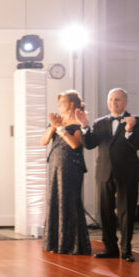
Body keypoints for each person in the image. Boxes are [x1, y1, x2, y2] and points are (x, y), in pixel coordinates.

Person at [80, 88, 139, 262]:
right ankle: (110, 248)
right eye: (110, 100)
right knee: (105, 212)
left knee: (126, 212)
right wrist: (85, 126)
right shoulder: (100, 122)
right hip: (104, 172)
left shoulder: (138, 120)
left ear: (125, 101)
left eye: (117, 100)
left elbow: (138, 144)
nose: (113, 103)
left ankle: (126, 250)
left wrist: (129, 130)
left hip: (128, 172)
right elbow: (90, 145)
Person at [41, 90, 90, 255]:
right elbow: (44, 141)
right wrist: (53, 126)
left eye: (62, 102)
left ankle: (72, 244)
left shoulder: (78, 120)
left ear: (71, 104)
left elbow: (75, 144)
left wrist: (61, 128)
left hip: (71, 165)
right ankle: (55, 242)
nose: (59, 106)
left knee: (69, 200)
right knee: (55, 198)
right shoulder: (57, 121)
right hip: (55, 163)